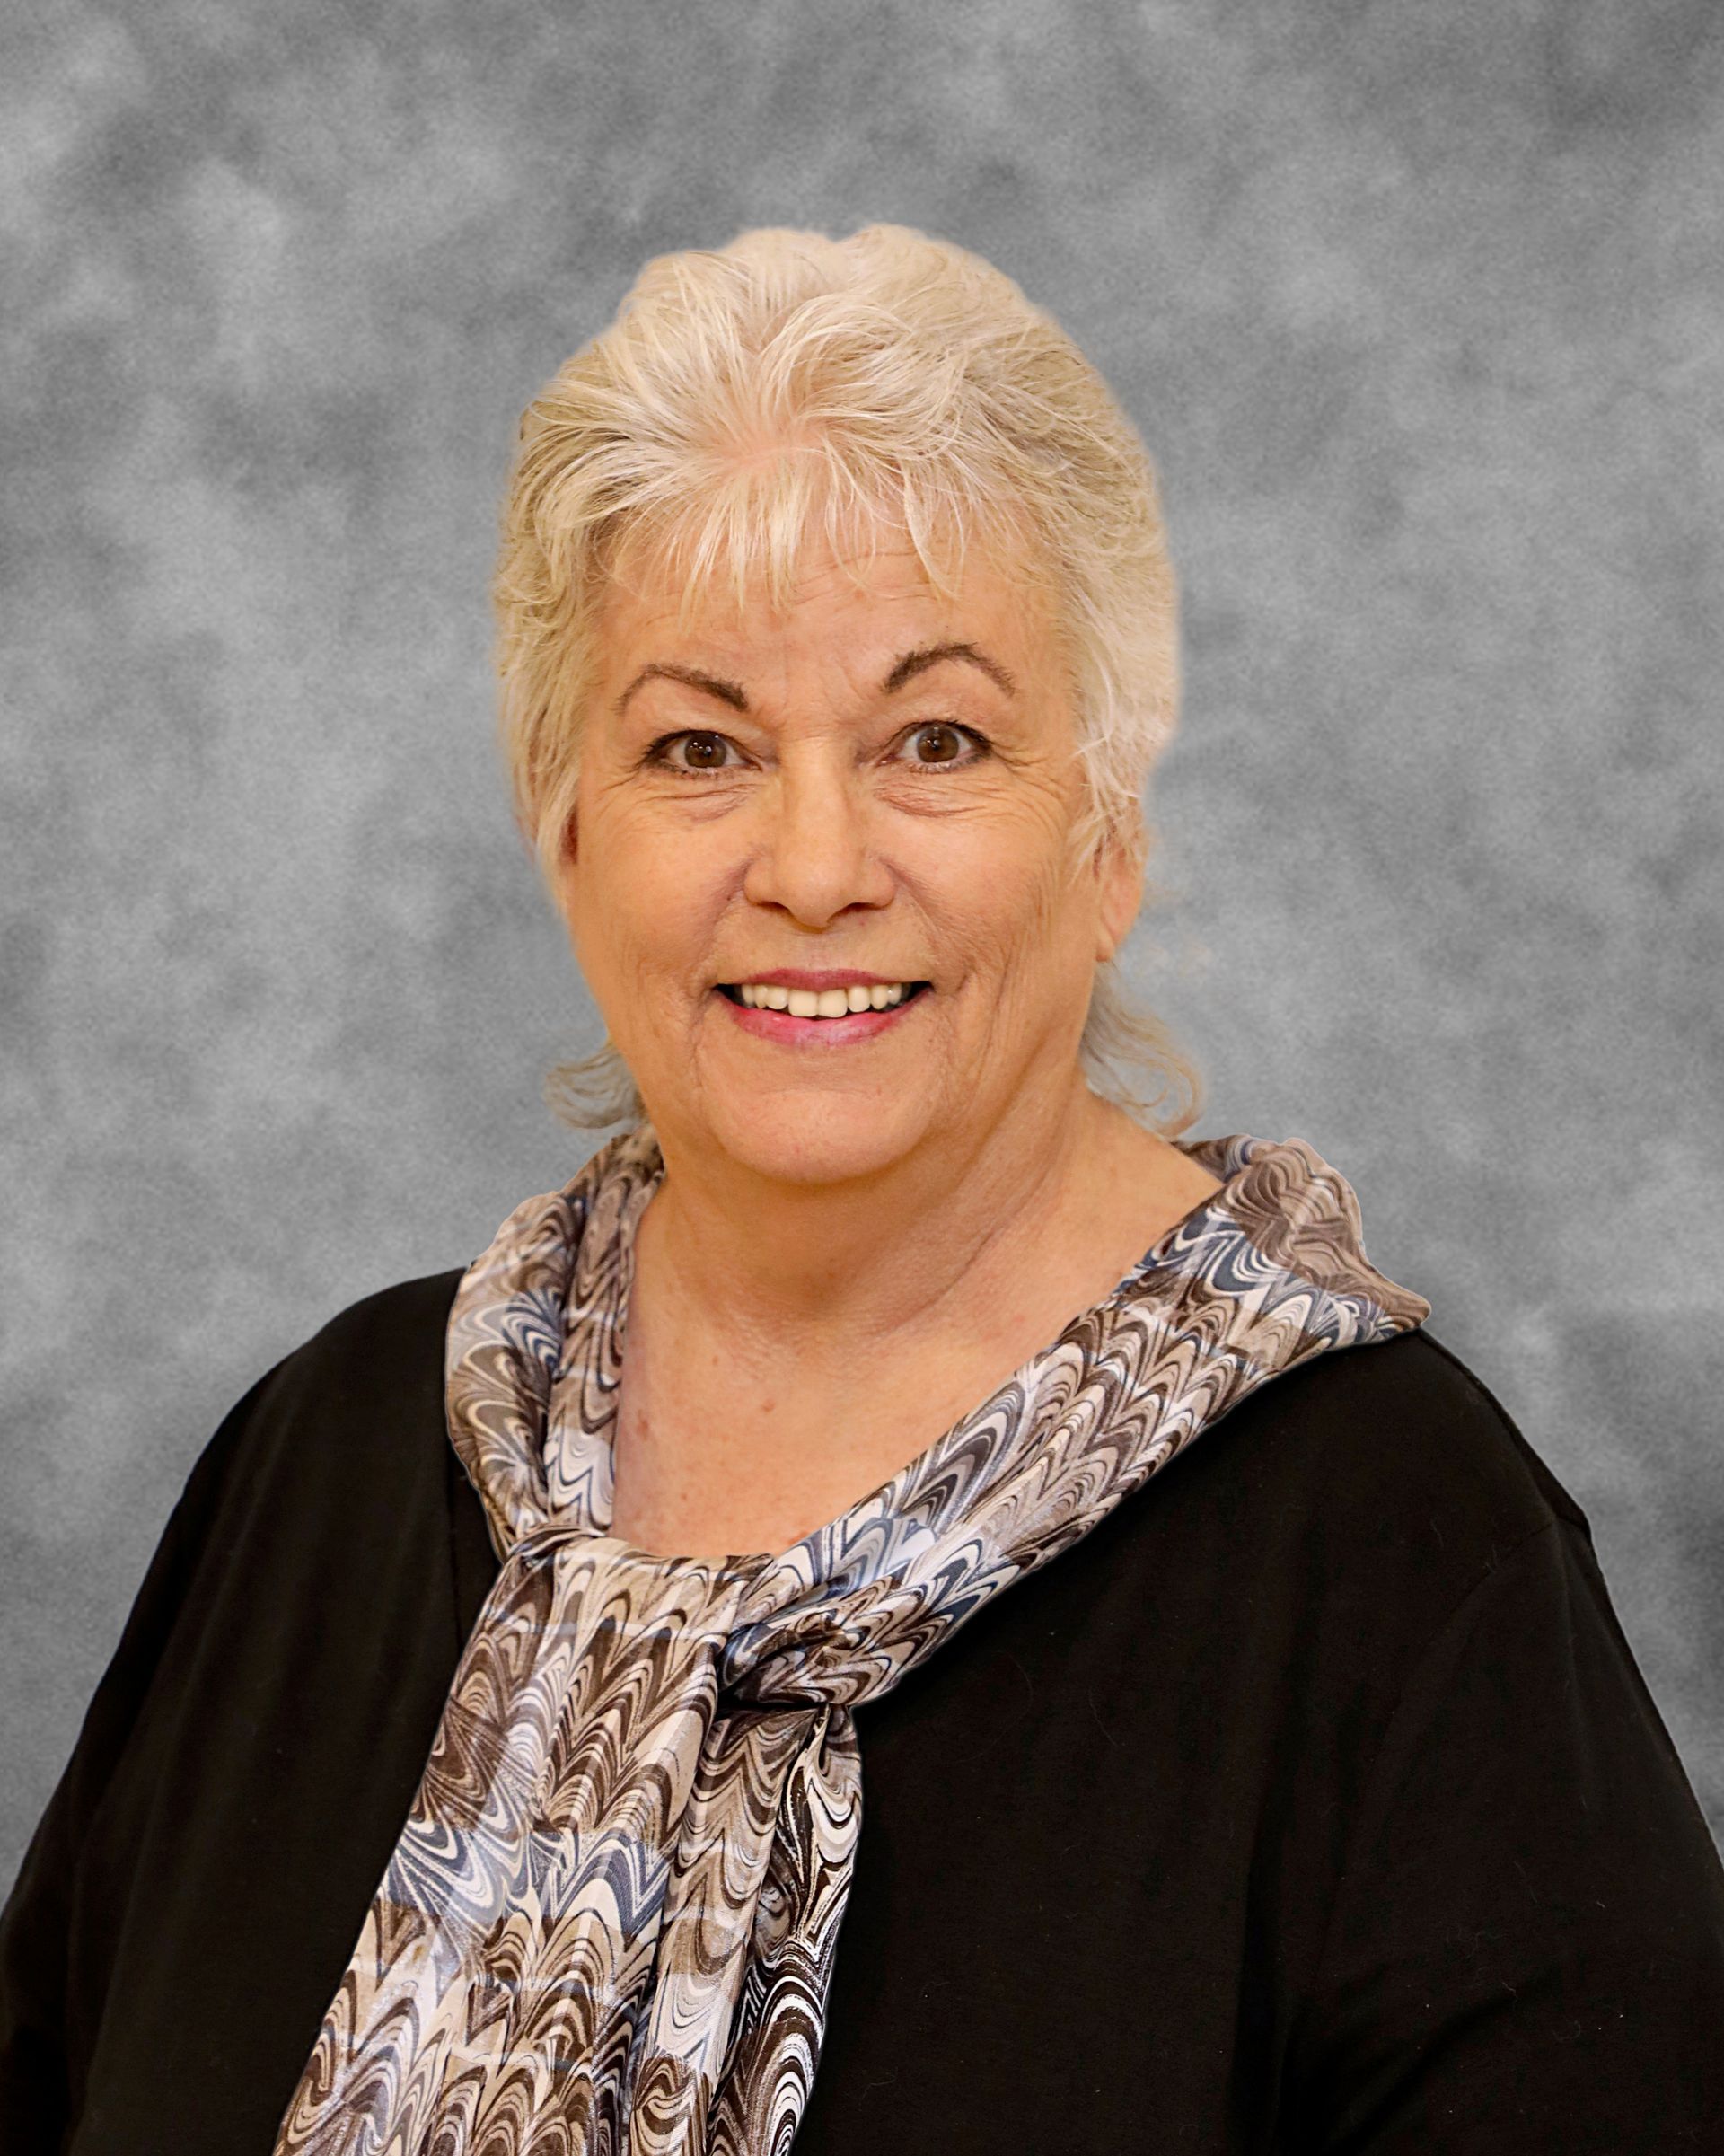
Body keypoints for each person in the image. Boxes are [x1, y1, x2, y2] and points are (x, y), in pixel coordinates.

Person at [2, 223, 1720, 2155]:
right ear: (564, 828)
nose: (815, 863)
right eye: (701, 745)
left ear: (1109, 829)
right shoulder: (321, 1463)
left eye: (936, 740)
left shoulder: (1404, 1565)